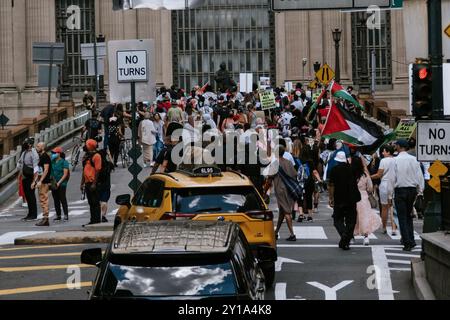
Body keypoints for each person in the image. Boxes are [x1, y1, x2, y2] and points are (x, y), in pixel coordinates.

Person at [393, 139, 425, 251]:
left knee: (402, 217)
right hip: (412, 190)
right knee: (408, 215)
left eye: (396, 145)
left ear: (400, 146)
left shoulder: (395, 160)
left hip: (400, 190)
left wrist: (389, 192)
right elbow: (419, 176)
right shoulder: (414, 160)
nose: (395, 146)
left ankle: (407, 242)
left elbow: (393, 178)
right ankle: (411, 240)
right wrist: (420, 190)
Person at [329, 151, 361, 250]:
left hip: (339, 197)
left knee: (337, 219)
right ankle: (346, 240)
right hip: (351, 198)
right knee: (351, 220)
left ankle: (344, 234)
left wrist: (331, 198)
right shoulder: (351, 169)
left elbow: (331, 185)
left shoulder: (334, 170)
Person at [351, 156, 382, 245]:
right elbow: (370, 187)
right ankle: (366, 237)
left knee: (353, 217)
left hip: (352, 197)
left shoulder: (350, 174)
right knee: (364, 217)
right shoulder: (364, 174)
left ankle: (352, 236)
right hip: (363, 197)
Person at [270, 146, 297, 242]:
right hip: (289, 189)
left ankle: (292, 234)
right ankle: (276, 232)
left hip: (280, 189)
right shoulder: (289, 162)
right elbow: (294, 174)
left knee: (286, 212)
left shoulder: (275, 163)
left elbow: (270, 176)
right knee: (282, 211)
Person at [370, 145, 397, 235]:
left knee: (384, 207)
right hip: (395, 185)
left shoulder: (383, 161)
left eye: (384, 151)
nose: (382, 153)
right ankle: (393, 228)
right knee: (393, 207)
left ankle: (384, 227)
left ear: (388, 152)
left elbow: (379, 174)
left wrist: (369, 177)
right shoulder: (396, 160)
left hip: (385, 185)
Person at [17, 138, 39, 221]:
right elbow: (19, 162)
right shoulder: (24, 152)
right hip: (24, 177)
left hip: (30, 177)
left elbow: (36, 167)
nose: (24, 144)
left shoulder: (34, 153)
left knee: (31, 196)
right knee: (27, 196)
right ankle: (29, 213)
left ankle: (34, 214)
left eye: (26, 143)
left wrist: (34, 181)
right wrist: (20, 168)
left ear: (30, 144)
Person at [81, 139, 102, 226]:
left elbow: (98, 170)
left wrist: (94, 183)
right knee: (90, 202)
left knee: (95, 202)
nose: (85, 146)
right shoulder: (87, 155)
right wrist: (82, 183)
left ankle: (97, 220)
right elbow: (84, 170)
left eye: (87, 145)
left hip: (93, 182)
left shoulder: (97, 156)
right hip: (87, 182)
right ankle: (92, 219)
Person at [50, 147, 70, 222]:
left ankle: (66, 215)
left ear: (59, 154)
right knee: (56, 199)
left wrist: (59, 183)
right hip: (54, 183)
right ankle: (58, 215)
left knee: (62, 199)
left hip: (62, 184)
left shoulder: (64, 162)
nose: (53, 154)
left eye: (55, 153)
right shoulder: (52, 161)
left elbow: (65, 174)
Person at [35, 142, 52, 227]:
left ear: (43, 147)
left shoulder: (45, 156)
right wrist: (35, 181)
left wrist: (40, 180)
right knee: (42, 199)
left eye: (38, 146)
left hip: (44, 181)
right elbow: (39, 170)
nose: (36, 147)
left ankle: (46, 218)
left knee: (44, 199)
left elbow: (46, 170)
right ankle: (45, 218)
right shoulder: (41, 156)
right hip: (41, 180)